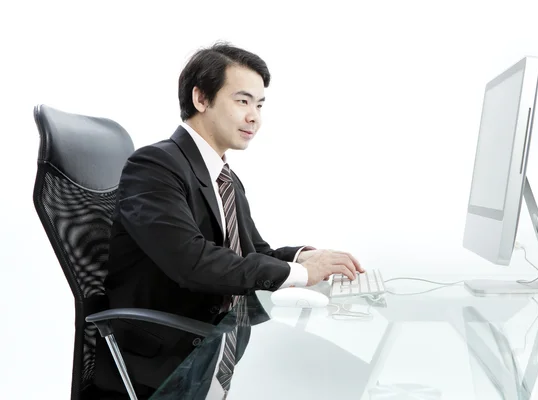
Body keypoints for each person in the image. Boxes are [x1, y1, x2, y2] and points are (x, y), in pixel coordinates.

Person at [94, 42, 363, 398]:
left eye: (260, 104)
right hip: (166, 360)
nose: (255, 116)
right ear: (201, 98)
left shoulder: (224, 177)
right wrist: (300, 276)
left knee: (351, 374)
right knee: (331, 380)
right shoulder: (155, 166)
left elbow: (253, 251)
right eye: (243, 101)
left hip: (218, 341)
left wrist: (303, 258)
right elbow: (192, 262)